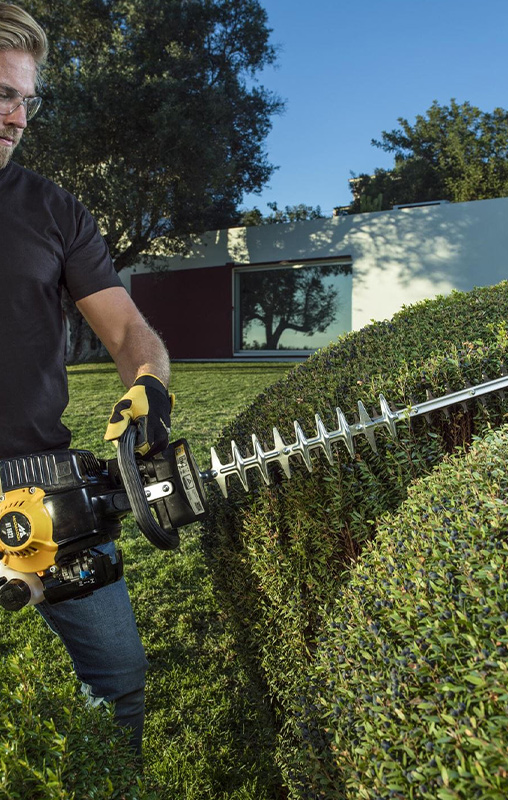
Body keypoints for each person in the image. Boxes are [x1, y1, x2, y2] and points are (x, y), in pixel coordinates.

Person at [0, 3, 173, 755]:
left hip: (42, 483)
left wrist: (149, 387)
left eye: (24, 99)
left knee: (120, 674)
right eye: (0, 94)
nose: (14, 116)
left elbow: (129, 330)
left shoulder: (54, 210)